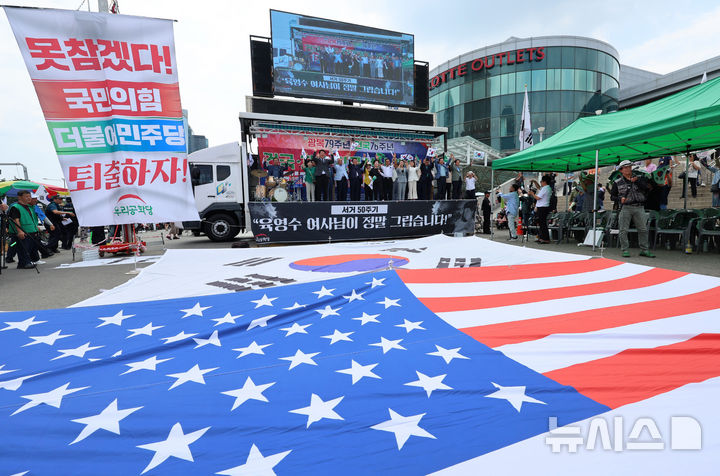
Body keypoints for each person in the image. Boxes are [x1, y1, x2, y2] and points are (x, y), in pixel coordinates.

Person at [610, 160, 655, 258]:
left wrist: (637, 181)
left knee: (643, 229)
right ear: (621, 170)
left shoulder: (639, 178)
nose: (628, 169)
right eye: (625, 168)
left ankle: (644, 249)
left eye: (629, 167)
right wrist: (619, 199)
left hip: (639, 207)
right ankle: (625, 249)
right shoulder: (617, 182)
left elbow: (647, 188)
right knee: (623, 230)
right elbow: (612, 196)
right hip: (626, 207)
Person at [7, 189, 40, 269]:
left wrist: (36, 227)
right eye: (26, 197)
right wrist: (20, 231)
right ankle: (24, 263)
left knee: (29, 248)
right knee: (23, 248)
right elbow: (16, 220)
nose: (29, 198)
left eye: (29, 196)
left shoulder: (29, 207)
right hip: (23, 231)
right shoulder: (15, 207)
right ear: (20, 197)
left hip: (30, 230)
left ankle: (26, 262)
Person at [527, 175, 553, 244]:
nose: (540, 182)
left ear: (544, 182)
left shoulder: (545, 188)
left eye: (541, 181)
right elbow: (539, 187)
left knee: (543, 224)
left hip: (543, 207)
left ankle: (545, 238)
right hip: (543, 207)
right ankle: (542, 238)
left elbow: (538, 197)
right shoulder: (547, 188)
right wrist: (535, 182)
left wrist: (532, 193)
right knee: (541, 223)